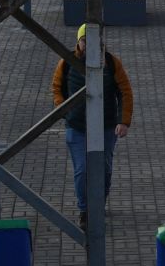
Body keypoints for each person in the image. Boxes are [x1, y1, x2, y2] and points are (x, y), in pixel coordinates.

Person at [52, 24, 133, 231]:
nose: (89, 45)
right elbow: (57, 87)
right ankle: (85, 210)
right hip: (77, 127)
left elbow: (125, 91)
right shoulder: (67, 63)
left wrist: (123, 121)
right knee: (82, 170)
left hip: (105, 126)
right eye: (85, 40)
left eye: (95, 41)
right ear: (79, 42)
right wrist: (63, 108)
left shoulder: (112, 63)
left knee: (104, 169)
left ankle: (100, 201)